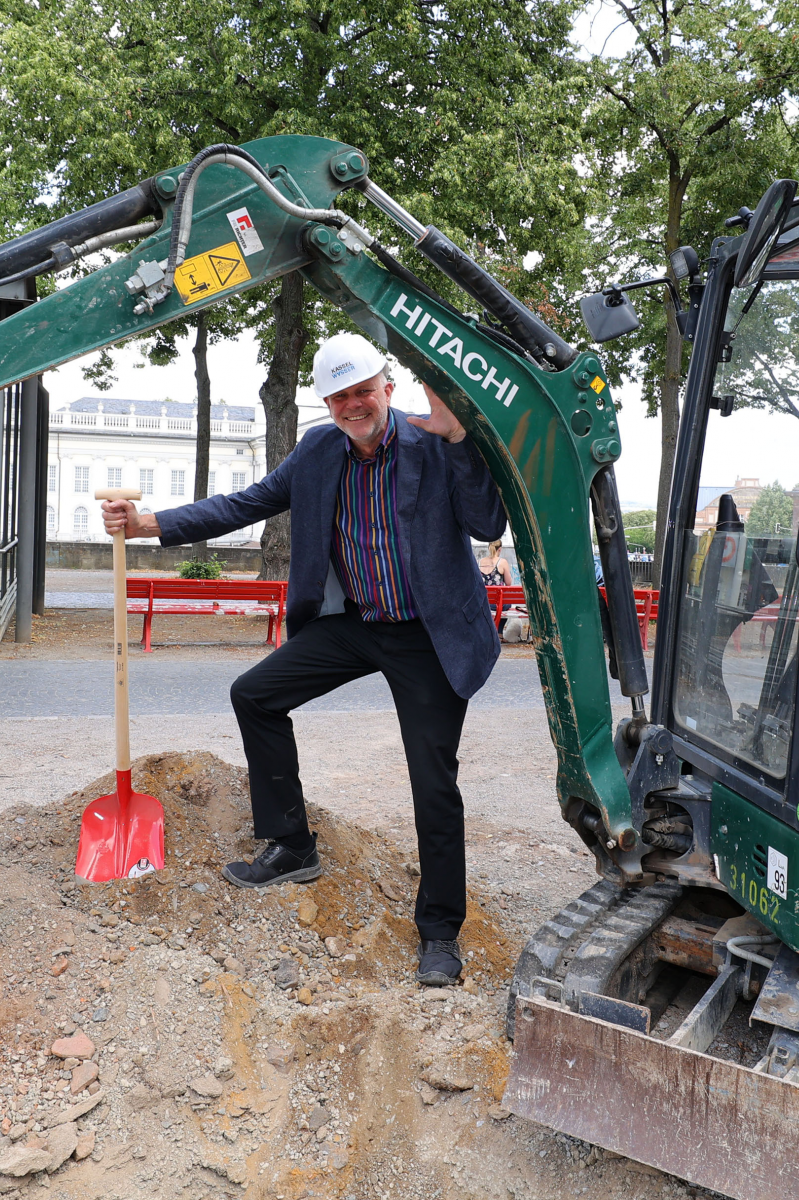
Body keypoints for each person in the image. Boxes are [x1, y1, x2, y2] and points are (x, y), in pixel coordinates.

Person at [101, 332, 506, 987]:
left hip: (429, 636)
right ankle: (291, 844)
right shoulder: (319, 449)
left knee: (433, 786)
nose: (353, 405)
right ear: (325, 402)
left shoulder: (434, 443)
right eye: (339, 396)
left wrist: (462, 440)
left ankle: (438, 933)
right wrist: (148, 523)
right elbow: (246, 503)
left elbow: (487, 523)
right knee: (255, 693)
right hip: (354, 625)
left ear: (387, 390)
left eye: (363, 392)